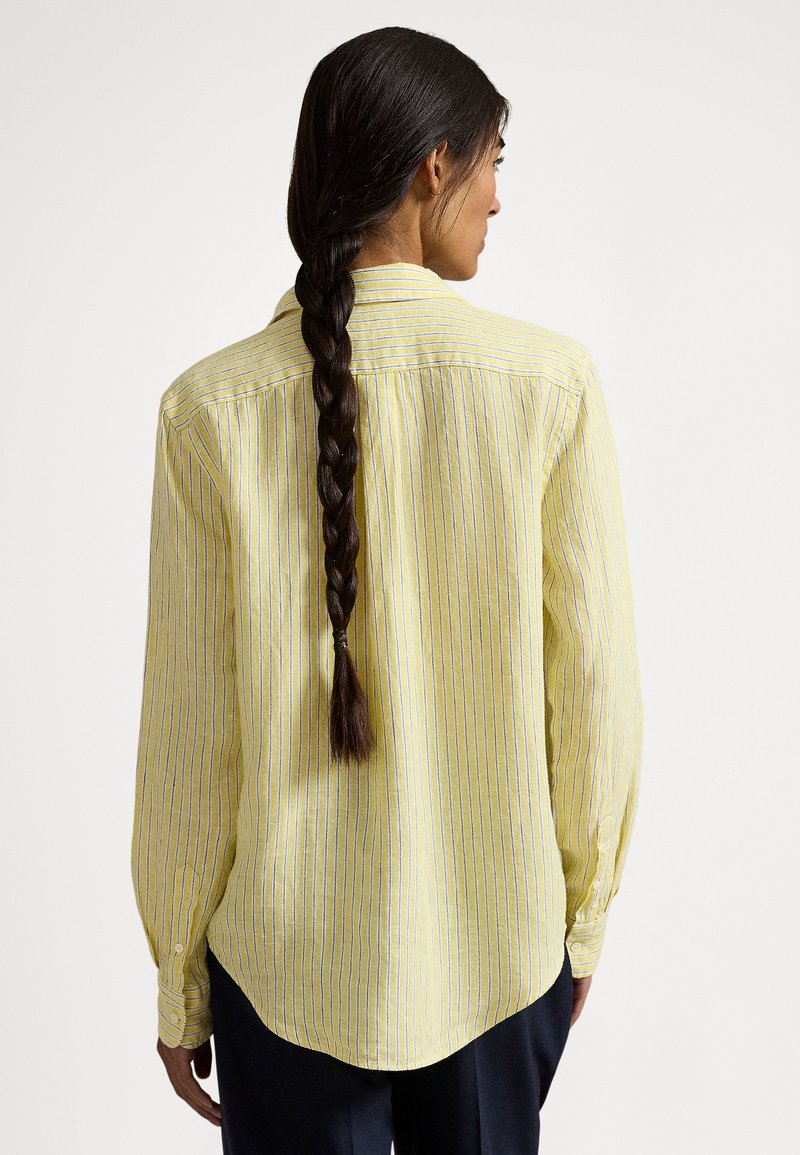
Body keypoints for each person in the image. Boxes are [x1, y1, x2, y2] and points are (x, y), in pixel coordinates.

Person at [131, 25, 643, 1155]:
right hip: (497, 954)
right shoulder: (548, 386)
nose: (498, 199)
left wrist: (180, 977)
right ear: (432, 165)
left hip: (283, 971)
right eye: (493, 163)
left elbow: (189, 733)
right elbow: (594, 690)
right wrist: (580, 920)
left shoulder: (208, 409)